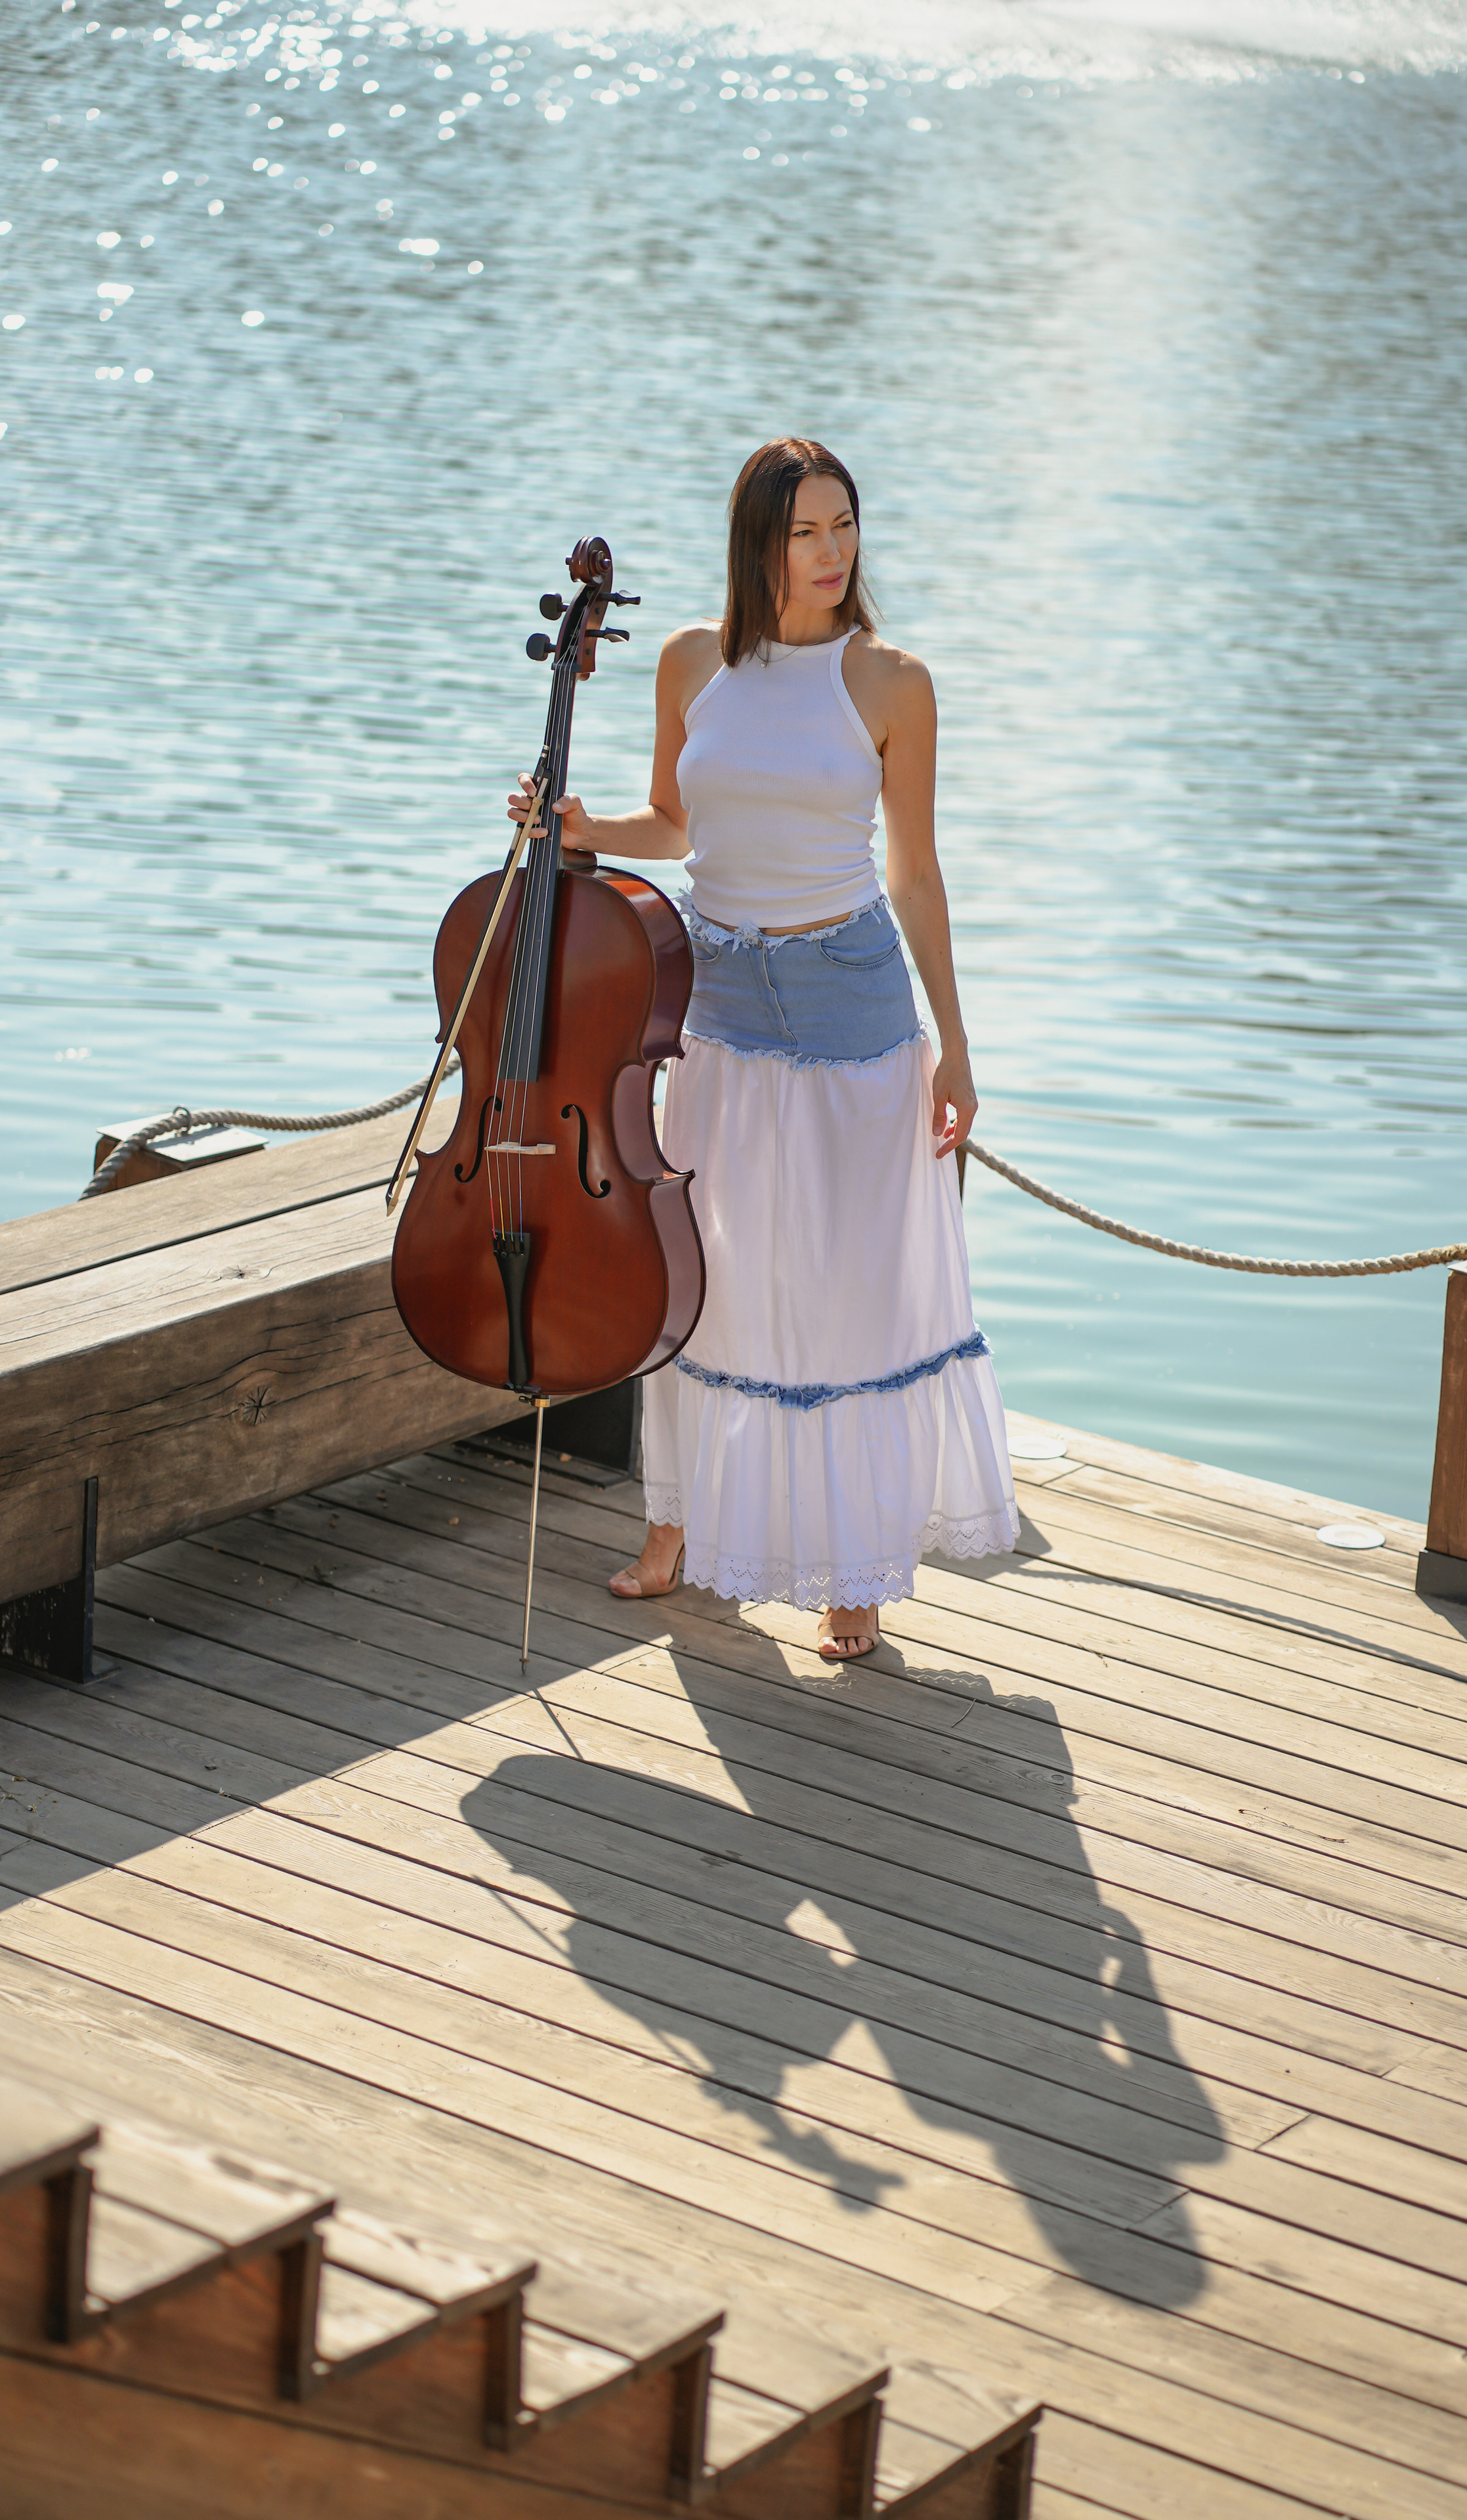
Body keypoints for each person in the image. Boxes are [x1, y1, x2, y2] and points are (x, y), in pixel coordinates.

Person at [509, 438, 1016, 1660]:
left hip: (853, 1009)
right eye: (806, 532)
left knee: (848, 1290)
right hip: (719, 1005)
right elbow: (674, 825)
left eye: (846, 525)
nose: (834, 552)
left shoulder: (891, 681)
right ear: (759, 544)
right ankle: (675, 1529)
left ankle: (855, 1576)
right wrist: (580, 826)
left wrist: (957, 1045)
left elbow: (916, 872)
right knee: (704, 1272)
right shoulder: (693, 662)